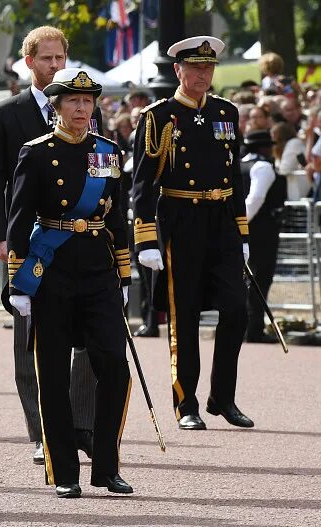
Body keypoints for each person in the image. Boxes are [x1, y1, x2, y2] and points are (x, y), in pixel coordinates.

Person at [7, 68, 133, 498]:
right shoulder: (36, 152)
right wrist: (17, 283)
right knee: (54, 374)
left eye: (87, 102)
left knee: (114, 368)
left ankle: (107, 466)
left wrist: (125, 270)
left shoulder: (107, 151)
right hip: (54, 271)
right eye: (73, 102)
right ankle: (64, 471)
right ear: (57, 107)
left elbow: (117, 216)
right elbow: (20, 218)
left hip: (97, 267)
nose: (81, 109)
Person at [0, 26, 101, 465]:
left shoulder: (84, 108)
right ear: (29, 62)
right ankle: (43, 430)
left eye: (59, 58)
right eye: (46, 59)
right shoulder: (7, 114)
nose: (54, 66)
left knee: (87, 336)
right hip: (28, 240)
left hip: (78, 240)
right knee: (30, 338)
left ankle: (82, 425)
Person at [132, 36, 253, 431]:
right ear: (178, 71)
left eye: (209, 67)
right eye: (195, 67)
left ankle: (224, 396)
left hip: (221, 220)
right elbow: (143, 183)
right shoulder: (159, 116)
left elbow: (234, 175)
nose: (203, 74)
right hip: (180, 220)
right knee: (184, 316)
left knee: (236, 309)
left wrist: (242, 230)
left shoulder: (226, 111)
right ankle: (187, 403)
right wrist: (146, 237)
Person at [241, 130, 286, 343]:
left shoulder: (239, 165)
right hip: (260, 232)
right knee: (260, 279)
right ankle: (254, 329)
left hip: (242, 230)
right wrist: (241, 224)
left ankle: (247, 328)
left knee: (247, 280)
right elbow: (256, 198)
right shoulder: (263, 167)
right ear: (263, 148)